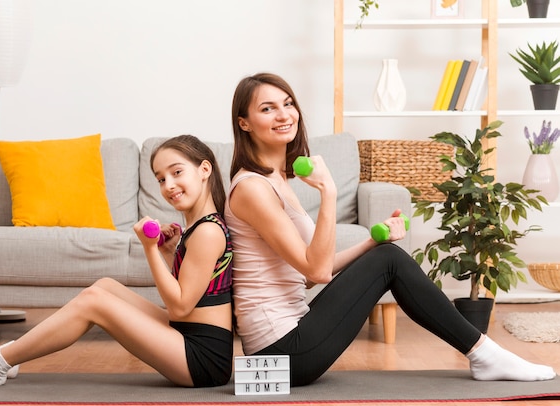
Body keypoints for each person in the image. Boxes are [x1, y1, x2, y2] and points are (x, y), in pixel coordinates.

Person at [225, 72, 557, 387]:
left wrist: (371, 240)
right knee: (390, 260)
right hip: (282, 352)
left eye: (288, 103)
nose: (284, 115)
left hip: (293, 336)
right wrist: (328, 193)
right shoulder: (253, 188)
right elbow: (319, 270)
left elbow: (309, 274)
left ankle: (484, 353)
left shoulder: (276, 180)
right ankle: (485, 353)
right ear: (244, 122)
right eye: (267, 108)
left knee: (386, 255)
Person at [0, 134, 234, 388]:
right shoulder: (199, 227)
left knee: (94, 302)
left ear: (204, 169)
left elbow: (180, 306)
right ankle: (12, 355)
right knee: (106, 286)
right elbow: (191, 294)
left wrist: (149, 249)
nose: (168, 185)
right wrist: (167, 252)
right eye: (161, 178)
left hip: (203, 358)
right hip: (188, 335)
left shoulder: (207, 231)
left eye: (177, 172)